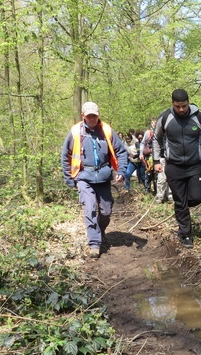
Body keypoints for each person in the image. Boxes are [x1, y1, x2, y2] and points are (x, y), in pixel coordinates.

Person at [61, 101, 127, 258]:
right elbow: (65, 156)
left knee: (106, 211)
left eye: (94, 116)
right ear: (83, 116)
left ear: (98, 116)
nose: (92, 119)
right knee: (89, 207)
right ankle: (94, 244)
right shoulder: (75, 132)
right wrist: (69, 178)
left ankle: (100, 229)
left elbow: (121, 152)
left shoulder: (107, 131)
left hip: (103, 177)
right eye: (89, 116)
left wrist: (121, 171)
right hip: (83, 177)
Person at [153, 89, 201, 248]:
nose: (181, 110)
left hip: (195, 165)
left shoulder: (200, 117)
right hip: (174, 166)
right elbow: (156, 139)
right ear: (172, 104)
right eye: (178, 106)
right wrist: (156, 160)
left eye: (184, 106)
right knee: (180, 201)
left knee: (196, 197)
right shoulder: (165, 117)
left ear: (188, 102)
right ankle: (185, 234)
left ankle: (182, 208)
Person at [124, 129, 148, 193]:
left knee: (142, 176)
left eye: (129, 139)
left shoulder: (136, 143)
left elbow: (140, 152)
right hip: (132, 162)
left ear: (131, 138)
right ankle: (127, 188)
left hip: (140, 162)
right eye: (126, 139)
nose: (128, 140)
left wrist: (135, 156)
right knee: (127, 174)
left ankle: (146, 189)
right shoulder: (125, 145)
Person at [140, 119, 156, 195]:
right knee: (148, 173)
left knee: (157, 175)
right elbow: (142, 143)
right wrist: (141, 153)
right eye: (153, 122)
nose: (154, 124)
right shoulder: (148, 133)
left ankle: (157, 191)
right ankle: (147, 191)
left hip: (157, 156)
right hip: (148, 156)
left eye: (155, 122)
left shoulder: (161, 130)